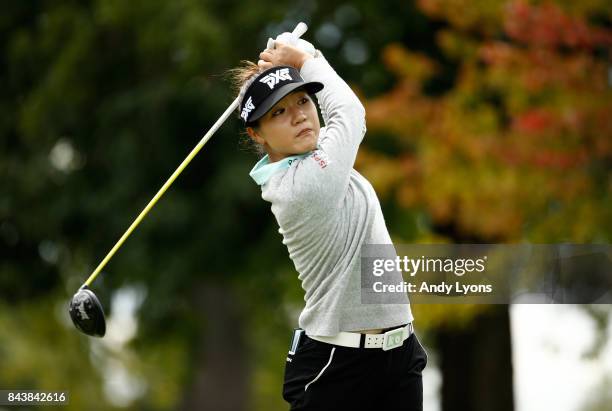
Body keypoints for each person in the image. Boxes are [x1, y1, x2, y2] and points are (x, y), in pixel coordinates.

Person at [230, 33, 428, 410]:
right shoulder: (300, 187)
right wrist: (304, 58)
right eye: (279, 112)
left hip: (400, 354)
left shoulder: (316, 158)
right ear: (257, 134)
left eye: (303, 101)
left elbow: (338, 113)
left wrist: (306, 58)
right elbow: (351, 113)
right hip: (338, 367)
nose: (300, 115)